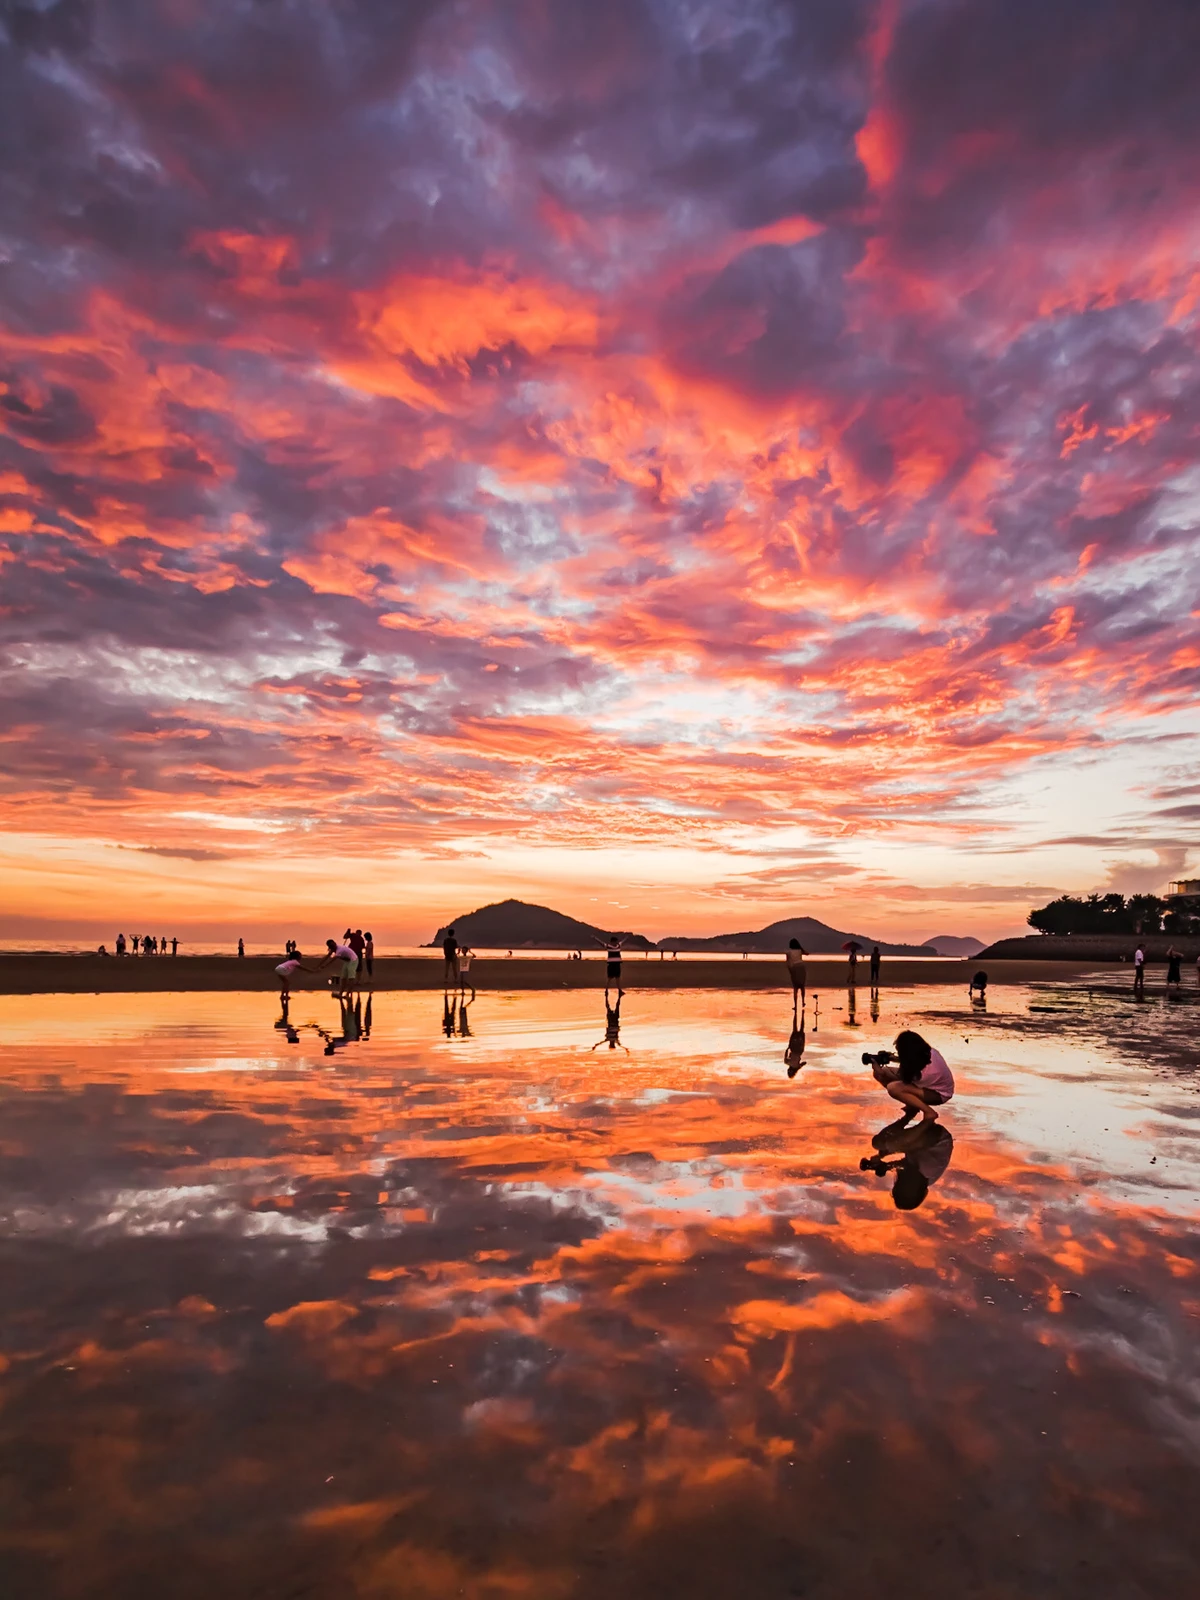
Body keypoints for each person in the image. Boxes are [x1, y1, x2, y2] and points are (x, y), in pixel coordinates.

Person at [860, 1118, 954, 1210]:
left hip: (927, 1141)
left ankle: (910, 1114)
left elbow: (906, 1164)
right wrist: (885, 1162)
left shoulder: (920, 1180)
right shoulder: (926, 1171)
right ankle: (929, 1118)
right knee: (881, 1144)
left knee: (882, 1143)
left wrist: (884, 1163)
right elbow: (908, 1157)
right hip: (936, 1137)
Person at [865, 1030, 954, 1124]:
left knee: (893, 1087)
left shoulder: (923, 1072)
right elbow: (913, 1059)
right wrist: (893, 1058)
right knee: (882, 1074)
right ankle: (912, 1104)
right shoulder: (929, 1052)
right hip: (930, 1085)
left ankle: (929, 1112)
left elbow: (903, 1080)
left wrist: (881, 1072)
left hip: (939, 1094)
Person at [785, 995, 806, 1078]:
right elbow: (785, 1055)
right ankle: (796, 1015)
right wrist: (787, 1049)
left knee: (801, 1030)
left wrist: (802, 1063)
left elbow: (804, 1063)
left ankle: (802, 1015)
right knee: (794, 1029)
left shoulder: (797, 1067)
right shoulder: (787, 1063)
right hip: (793, 1048)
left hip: (800, 1049)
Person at [784, 938, 808, 1005]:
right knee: (802, 986)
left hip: (794, 967)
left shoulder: (788, 952)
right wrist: (801, 948)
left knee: (795, 987)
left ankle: (795, 1005)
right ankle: (803, 1002)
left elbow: (788, 963)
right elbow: (807, 953)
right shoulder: (800, 951)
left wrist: (790, 970)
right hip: (801, 967)